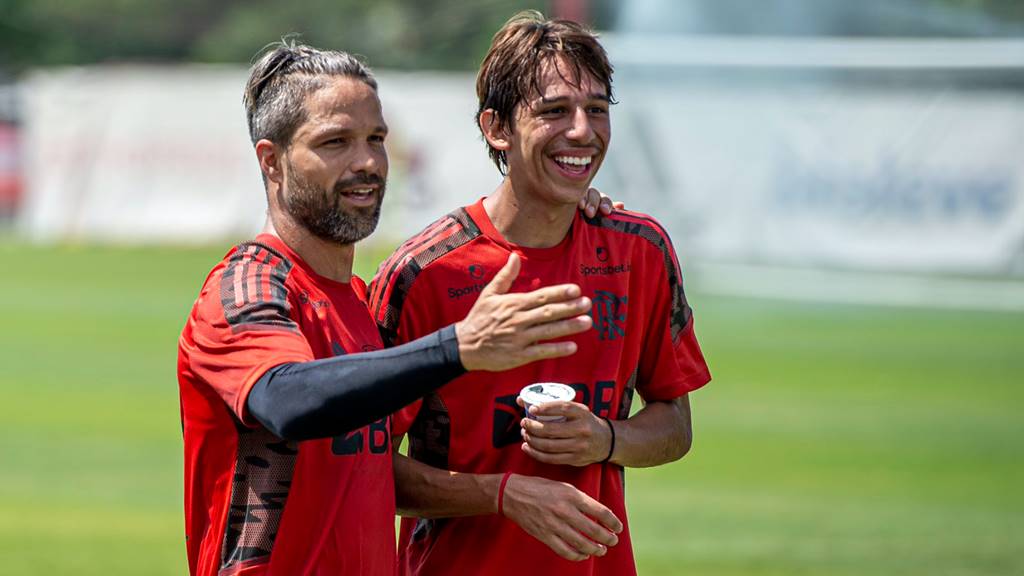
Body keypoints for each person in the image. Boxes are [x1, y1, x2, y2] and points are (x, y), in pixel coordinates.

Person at [177, 41, 614, 576]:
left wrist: (567, 199)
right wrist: (458, 348)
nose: (366, 163)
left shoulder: (358, 305)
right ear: (272, 161)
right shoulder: (248, 287)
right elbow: (285, 397)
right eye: (335, 142)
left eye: (376, 139)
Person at [369, 11, 712, 576]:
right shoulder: (423, 272)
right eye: (554, 110)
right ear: (496, 128)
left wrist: (605, 438)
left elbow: (675, 425)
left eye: (597, 110)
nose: (582, 130)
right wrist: (503, 494)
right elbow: (365, 470)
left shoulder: (641, 252)